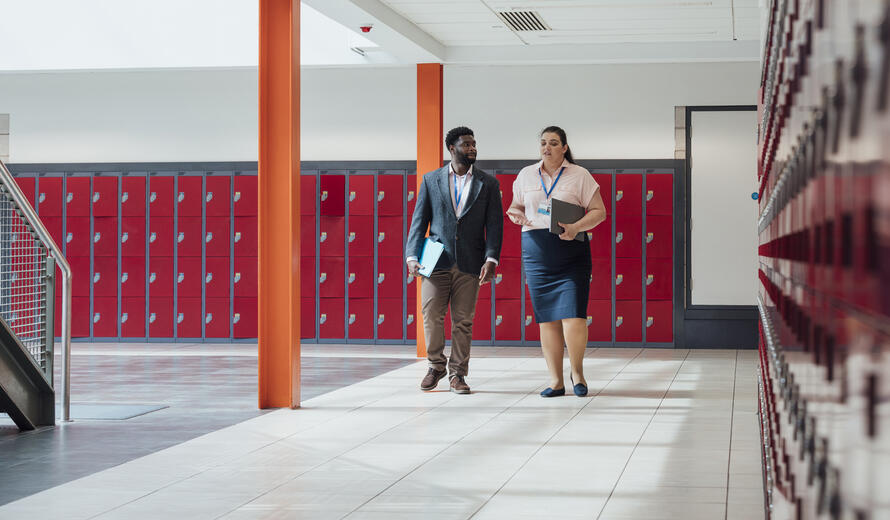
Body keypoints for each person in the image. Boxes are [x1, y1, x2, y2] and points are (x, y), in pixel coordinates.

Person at [506, 126, 607, 397]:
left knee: (574, 317)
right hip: (537, 251)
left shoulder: (579, 175)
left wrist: (576, 227)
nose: (546, 147)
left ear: (564, 148)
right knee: (547, 319)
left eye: (553, 143)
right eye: (543, 143)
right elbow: (515, 206)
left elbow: (600, 212)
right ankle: (555, 381)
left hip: (570, 249)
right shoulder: (526, 174)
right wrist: (514, 214)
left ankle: (577, 373)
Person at [406, 126, 503, 394]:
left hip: (471, 262)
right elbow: (419, 221)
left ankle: (457, 374)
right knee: (431, 316)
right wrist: (412, 255)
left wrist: (491, 258)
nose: (472, 148)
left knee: (463, 320)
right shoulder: (431, 180)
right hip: (435, 259)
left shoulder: (488, 184)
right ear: (452, 148)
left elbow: (494, 226)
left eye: (474, 144)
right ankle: (436, 365)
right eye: (467, 144)